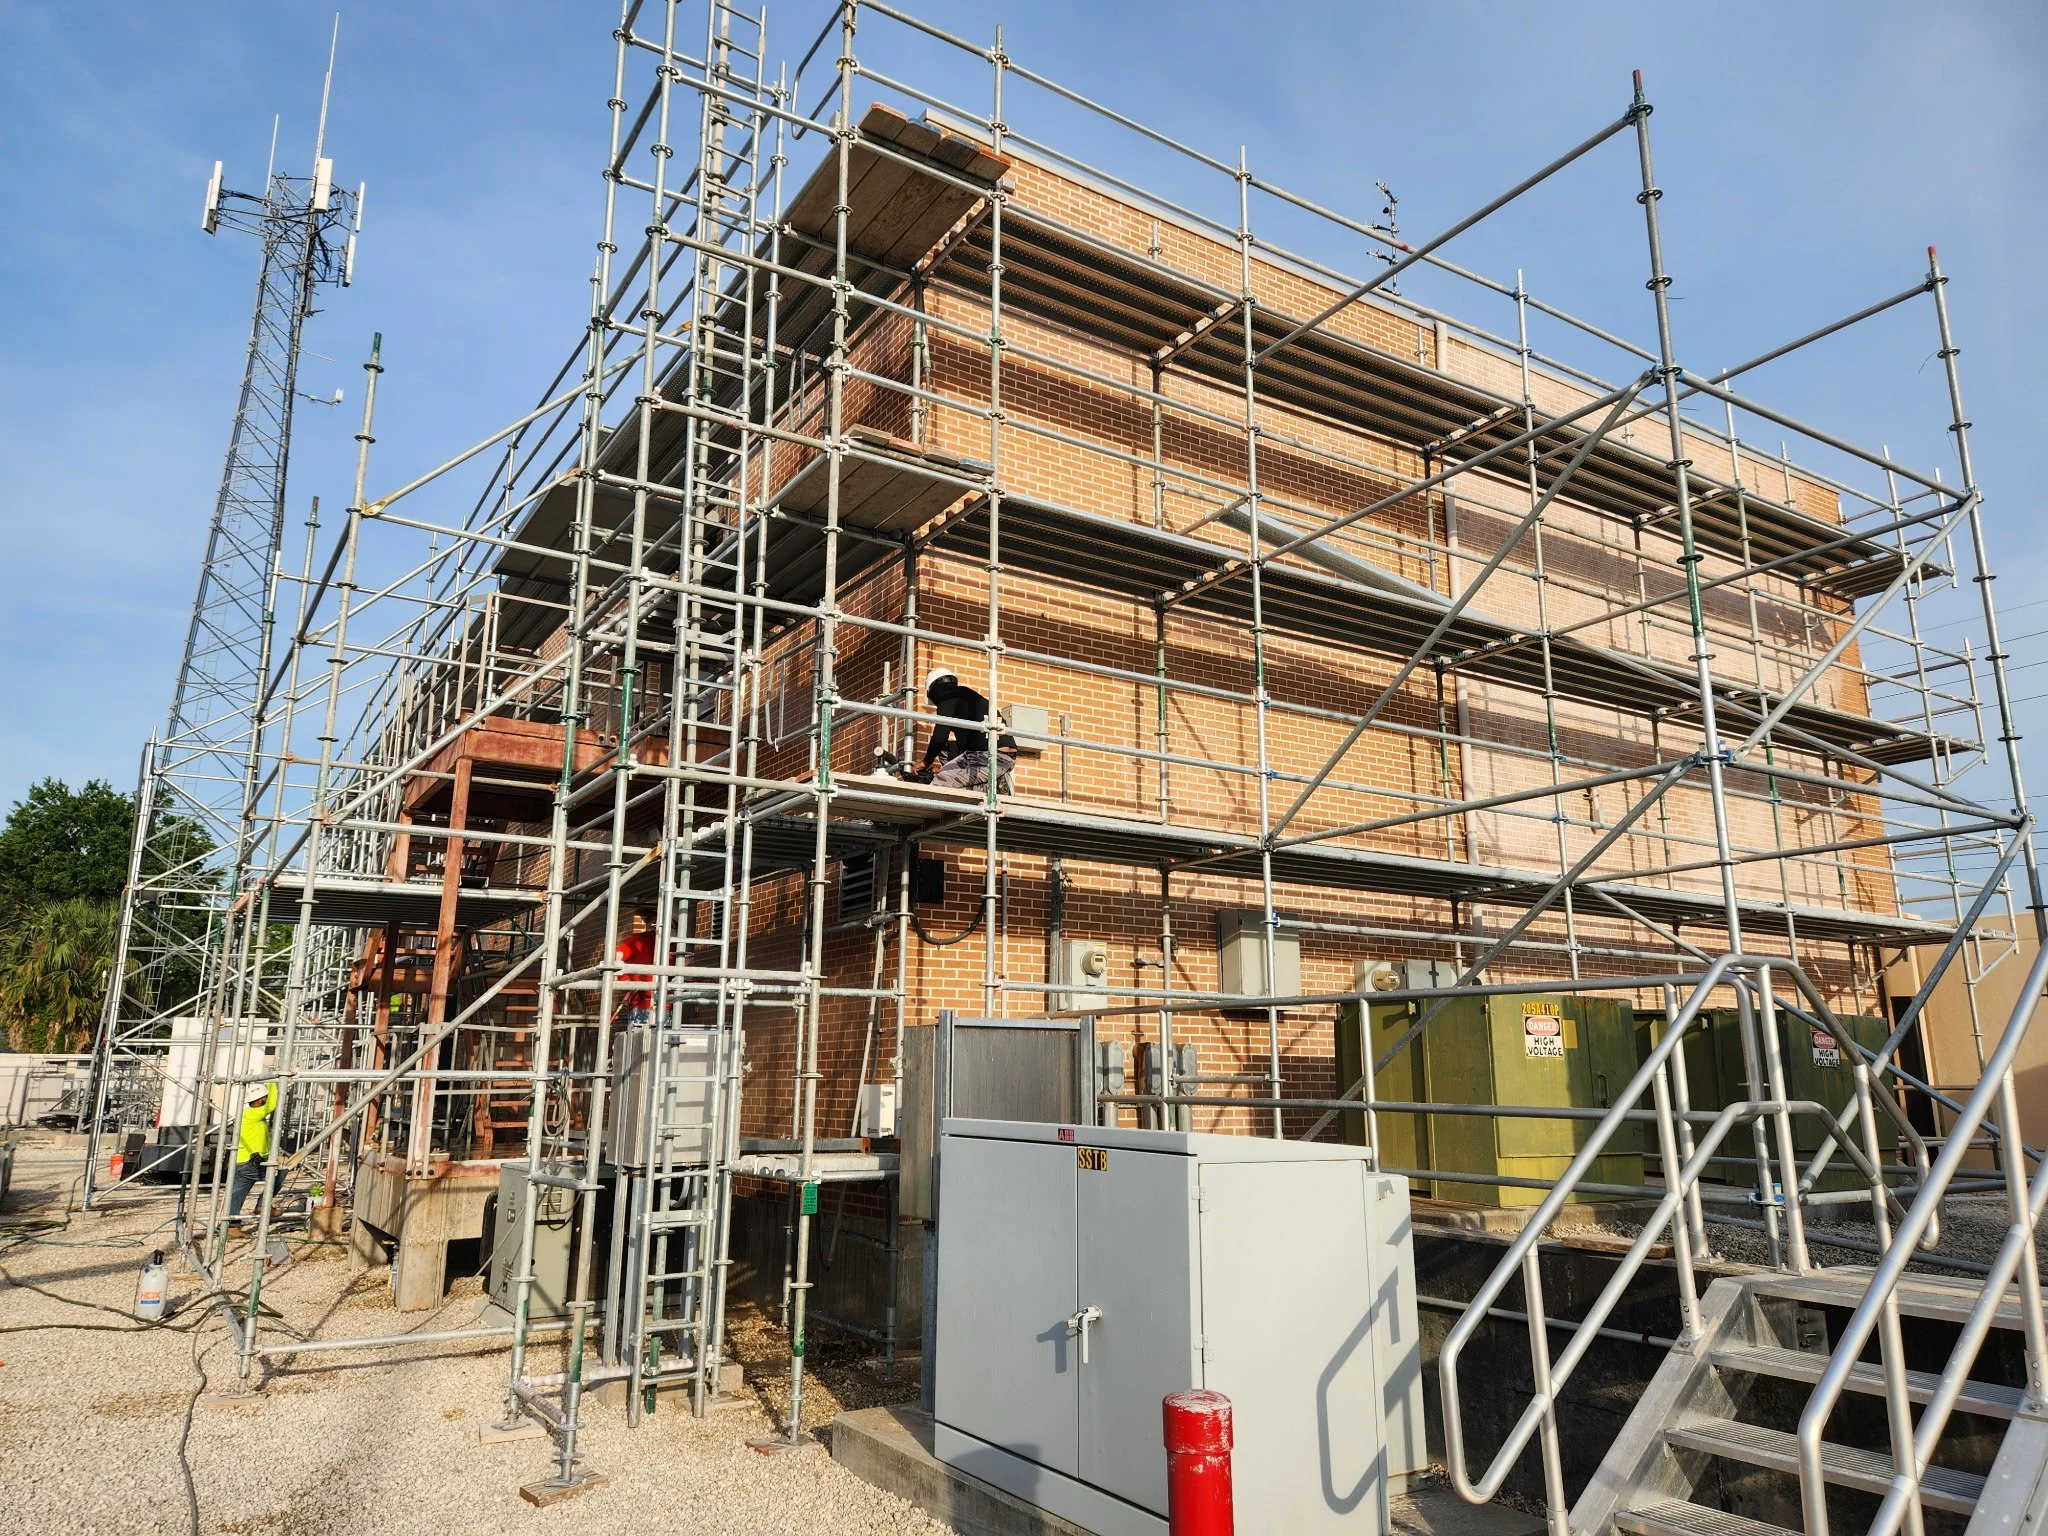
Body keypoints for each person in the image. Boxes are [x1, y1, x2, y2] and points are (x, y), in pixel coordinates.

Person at [914, 669, 1016, 792]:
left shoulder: (947, 697)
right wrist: (945, 770)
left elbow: (940, 737)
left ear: (933, 691)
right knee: (952, 770)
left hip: (987, 756)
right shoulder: (968, 696)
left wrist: (926, 761)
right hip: (1001, 756)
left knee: (938, 785)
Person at [228, 1082, 278, 1226]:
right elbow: (272, 1104)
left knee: (237, 1194)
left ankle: (232, 1226)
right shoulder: (252, 1114)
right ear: (259, 1100)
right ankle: (263, 1205)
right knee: (278, 1174)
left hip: (245, 1161)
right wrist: (274, 1082)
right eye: (265, 1098)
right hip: (250, 1162)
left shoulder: (252, 1115)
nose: (266, 1101)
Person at [616, 907, 657, 1024]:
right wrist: (628, 983)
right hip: (641, 1002)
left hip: (664, 1003)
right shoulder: (637, 940)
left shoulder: (674, 944)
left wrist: (626, 981)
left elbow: (616, 959)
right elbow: (616, 960)